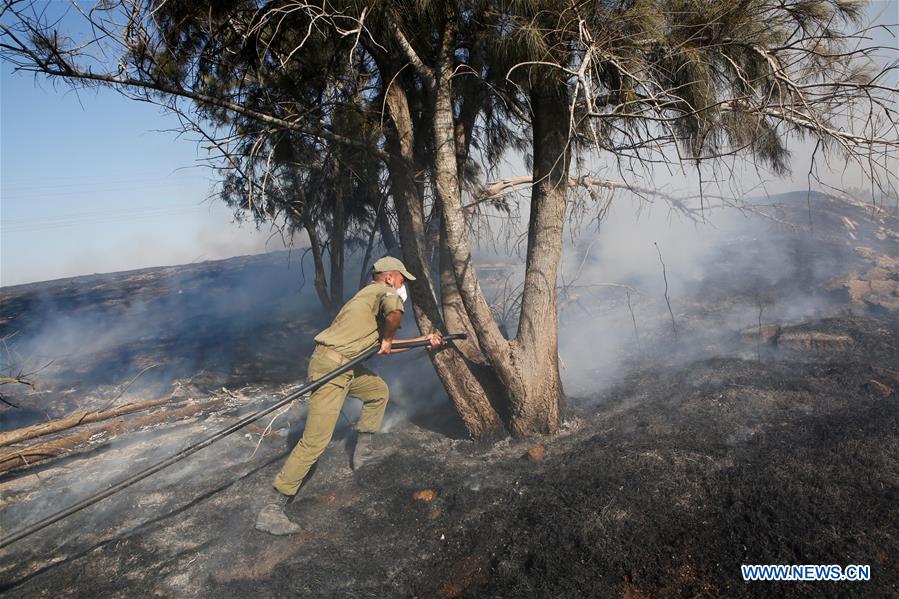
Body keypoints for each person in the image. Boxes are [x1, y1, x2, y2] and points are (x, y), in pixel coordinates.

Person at [255, 256, 445, 535]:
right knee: (315, 441)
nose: (403, 286)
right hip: (331, 368)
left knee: (378, 392)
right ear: (390, 277)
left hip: (345, 366)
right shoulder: (383, 293)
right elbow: (394, 317)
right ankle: (272, 508)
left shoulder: (368, 299)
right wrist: (391, 333)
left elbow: (385, 346)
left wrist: (425, 341)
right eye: (402, 279)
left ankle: (362, 455)